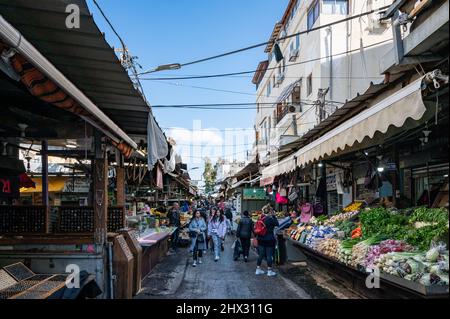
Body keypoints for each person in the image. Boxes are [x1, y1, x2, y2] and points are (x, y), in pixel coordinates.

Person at [255, 207, 279, 277]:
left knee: (261, 255)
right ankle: (269, 271)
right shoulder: (270, 219)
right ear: (269, 212)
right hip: (269, 239)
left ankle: (258, 269)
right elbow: (277, 224)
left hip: (261, 239)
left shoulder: (260, 218)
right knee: (269, 255)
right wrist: (274, 216)